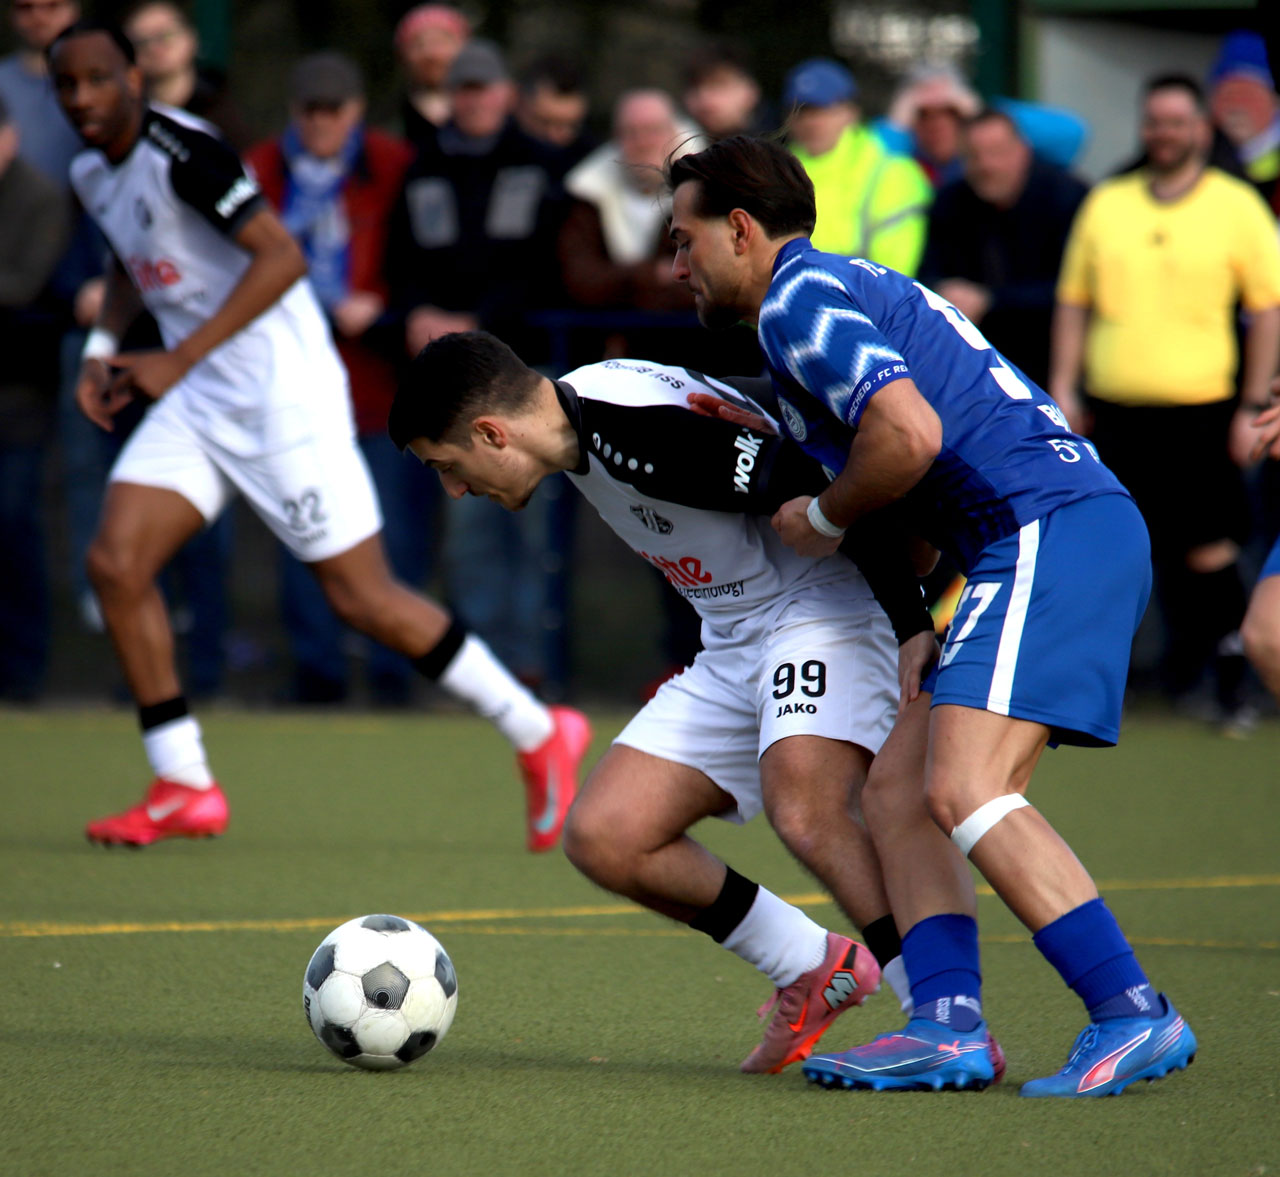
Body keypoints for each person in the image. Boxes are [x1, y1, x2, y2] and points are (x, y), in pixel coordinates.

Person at [666, 134, 1197, 1097]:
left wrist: (822, 517)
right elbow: (892, 477)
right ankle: (945, 1025)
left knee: (965, 787)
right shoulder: (830, 293)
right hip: (1045, 534)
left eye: (685, 238)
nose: (677, 263)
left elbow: (908, 437)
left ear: (740, 230)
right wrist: (913, 620)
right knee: (899, 793)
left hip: (1045, 529)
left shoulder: (797, 302)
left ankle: (1131, 1010)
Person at [50, 20, 590, 851]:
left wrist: (174, 355)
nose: (81, 97)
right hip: (202, 396)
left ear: (132, 75)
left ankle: (537, 728)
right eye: (66, 84)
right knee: (116, 563)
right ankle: (183, 781)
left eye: (96, 77)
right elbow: (131, 259)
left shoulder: (186, 151)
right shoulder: (92, 169)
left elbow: (281, 259)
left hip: (281, 397)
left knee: (363, 596)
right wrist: (102, 346)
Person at [387, 330, 963, 1074]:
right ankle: (814, 966)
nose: (456, 489)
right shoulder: (590, 403)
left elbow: (821, 485)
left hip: (823, 608)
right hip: (734, 640)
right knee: (606, 834)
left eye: (448, 467)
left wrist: (912, 618)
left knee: (808, 807)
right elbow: (752, 406)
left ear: (491, 433)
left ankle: (941, 1022)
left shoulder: (636, 436)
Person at [1050, 75, 1280, 730]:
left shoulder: (1236, 205)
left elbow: (1267, 310)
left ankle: (1236, 683)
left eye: (1177, 121)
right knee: (1107, 549)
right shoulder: (1108, 202)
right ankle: (1093, 693)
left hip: (1203, 411)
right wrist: (1064, 386)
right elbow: (1075, 301)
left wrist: (1251, 404)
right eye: (1155, 121)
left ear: (1201, 129)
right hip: (1114, 410)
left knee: (1205, 550)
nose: (1165, 133)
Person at [246, 52, 435, 706]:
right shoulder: (260, 168)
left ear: (356, 110)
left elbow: (421, 260)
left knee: (390, 537)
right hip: (289, 383)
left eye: (335, 109)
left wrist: (385, 309)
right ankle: (317, 674)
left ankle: (393, 676)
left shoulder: (395, 164)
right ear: (294, 111)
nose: (322, 122)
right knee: (305, 532)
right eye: (310, 110)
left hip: (376, 384)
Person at [387, 37, 571, 688]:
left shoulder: (541, 164)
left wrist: (478, 321)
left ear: (505, 93)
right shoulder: (423, 167)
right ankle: (483, 675)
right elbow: (400, 262)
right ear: (450, 98)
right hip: (454, 384)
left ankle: (535, 668)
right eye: (463, 88)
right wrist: (418, 312)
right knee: (469, 532)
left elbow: (547, 267)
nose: (475, 99)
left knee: (532, 531)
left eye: (484, 86)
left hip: (527, 378)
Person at [919, 108, 1088, 389]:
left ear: (1023, 151)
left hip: (1054, 366)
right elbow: (927, 275)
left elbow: (1074, 292)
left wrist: (991, 300)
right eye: (974, 155)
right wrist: (946, 291)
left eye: (997, 152)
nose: (986, 165)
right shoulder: (950, 202)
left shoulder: (1067, 197)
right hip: (977, 371)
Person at [0, 92, 70, 702]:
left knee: (14, 524)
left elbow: (23, 289)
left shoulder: (41, 197)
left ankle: (25, 671)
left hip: (20, 397)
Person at [781, 57, 931, 277]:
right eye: (800, 111)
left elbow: (893, 277)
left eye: (822, 110)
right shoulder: (776, 174)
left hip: (865, 307)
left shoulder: (892, 174)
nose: (811, 121)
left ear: (851, 112)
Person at [874, 62, 1088, 189]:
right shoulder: (901, 149)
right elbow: (864, 177)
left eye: (950, 112)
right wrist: (896, 125)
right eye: (922, 114)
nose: (936, 124)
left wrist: (980, 113)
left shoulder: (981, 150)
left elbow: (1071, 135)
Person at [123, 1, 250, 150]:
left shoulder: (226, 119)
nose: (154, 48)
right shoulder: (124, 123)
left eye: (165, 35)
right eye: (141, 42)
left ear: (191, 37)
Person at [1207, 30, 1279, 206]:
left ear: (1275, 102)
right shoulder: (1191, 157)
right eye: (1227, 95)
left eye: (1248, 95)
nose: (1236, 106)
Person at [393, 2, 471, 151]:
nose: (431, 54)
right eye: (418, 44)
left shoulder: (497, 116)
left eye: (440, 42)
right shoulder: (391, 129)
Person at [514, 54, 593, 174]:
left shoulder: (592, 162)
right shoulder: (492, 151)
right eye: (544, 122)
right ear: (520, 105)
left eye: (572, 125)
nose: (555, 136)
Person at [682, 39, 774, 141]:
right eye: (694, 87)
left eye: (718, 85)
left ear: (751, 90)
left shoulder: (781, 149)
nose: (704, 100)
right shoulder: (673, 147)